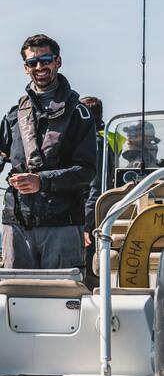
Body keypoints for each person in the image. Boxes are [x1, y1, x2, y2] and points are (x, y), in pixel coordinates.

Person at [0, 34, 97, 269]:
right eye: (32, 63)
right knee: (15, 295)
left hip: (63, 226)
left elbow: (86, 171)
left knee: (62, 298)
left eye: (45, 59)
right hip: (16, 224)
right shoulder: (14, 115)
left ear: (58, 61)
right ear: (26, 68)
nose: (39, 67)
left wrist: (40, 181)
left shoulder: (80, 114)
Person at [80, 96, 110, 289]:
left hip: (92, 219)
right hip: (97, 216)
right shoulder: (104, 139)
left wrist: (83, 224)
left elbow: (96, 188)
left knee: (89, 274)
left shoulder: (95, 143)